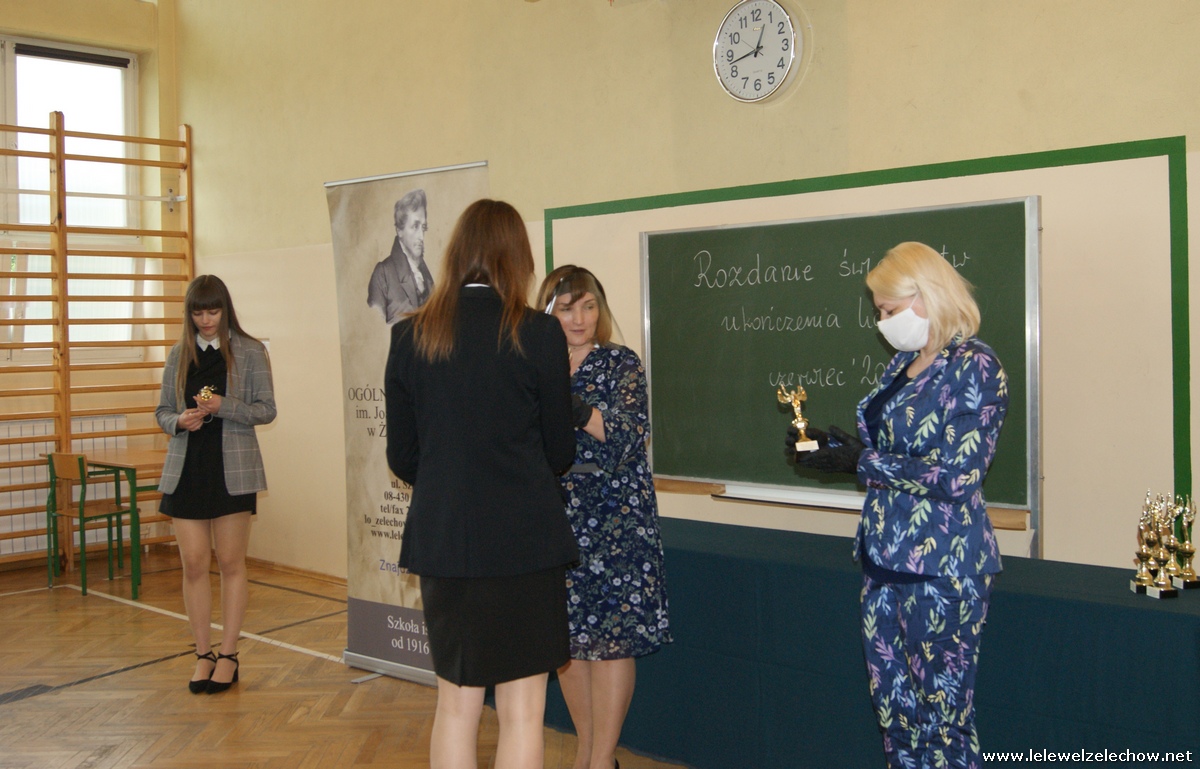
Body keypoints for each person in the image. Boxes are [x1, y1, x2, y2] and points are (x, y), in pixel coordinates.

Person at [787, 242, 1007, 768]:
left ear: (927, 296)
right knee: (896, 715)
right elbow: (894, 447)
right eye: (879, 312)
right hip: (883, 560)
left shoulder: (974, 365)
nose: (882, 322)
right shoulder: (904, 363)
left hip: (942, 568)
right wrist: (829, 446)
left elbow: (958, 475)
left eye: (888, 310)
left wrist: (861, 462)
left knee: (943, 722)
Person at [384, 199, 578, 769]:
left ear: (456, 252)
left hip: (447, 541)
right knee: (523, 712)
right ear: (516, 257)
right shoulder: (539, 333)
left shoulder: (410, 335)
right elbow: (560, 453)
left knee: (455, 707)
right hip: (526, 543)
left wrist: (453, 484)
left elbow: (403, 458)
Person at [537, 265, 671, 769]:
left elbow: (629, 438)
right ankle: (587, 754)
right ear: (547, 313)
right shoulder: (535, 365)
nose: (580, 318)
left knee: (613, 642)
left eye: (589, 306)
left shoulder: (620, 362)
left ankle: (601, 759)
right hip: (558, 516)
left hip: (617, 518)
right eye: (567, 308)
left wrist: (581, 411)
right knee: (570, 641)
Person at [156, 275, 276, 695]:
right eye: (198, 312)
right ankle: (203, 654)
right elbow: (162, 411)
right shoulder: (178, 354)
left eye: (213, 311)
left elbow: (267, 410)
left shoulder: (251, 350)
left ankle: (228, 655)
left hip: (233, 471)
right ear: (189, 314)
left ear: (225, 310)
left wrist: (225, 406)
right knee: (193, 563)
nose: (206, 320)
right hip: (187, 468)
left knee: (229, 562)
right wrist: (179, 420)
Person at [368, 188, 435, 323]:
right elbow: (374, 331)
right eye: (415, 226)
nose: (421, 236)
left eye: (423, 228)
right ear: (399, 230)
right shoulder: (383, 274)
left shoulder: (427, 278)